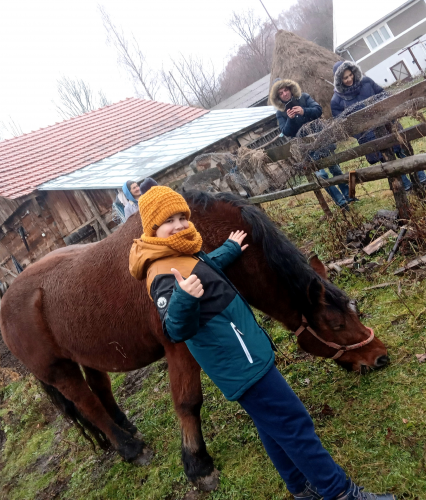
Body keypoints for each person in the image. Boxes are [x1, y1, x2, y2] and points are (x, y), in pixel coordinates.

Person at [128, 185, 395, 500]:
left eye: (181, 217)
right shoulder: (161, 272)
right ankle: (341, 493)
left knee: (272, 425)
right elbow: (175, 328)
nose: (179, 225)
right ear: (152, 228)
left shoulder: (178, 251)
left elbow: (204, 269)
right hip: (241, 365)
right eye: (168, 221)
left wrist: (228, 250)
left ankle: (301, 488)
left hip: (245, 354)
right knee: (295, 424)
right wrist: (185, 299)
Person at [331, 61, 426, 192]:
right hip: (370, 136)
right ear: (339, 80)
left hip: (388, 124)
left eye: (350, 75)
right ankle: (407, 187)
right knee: (388, 161)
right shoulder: (336, 101)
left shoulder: (366, 82)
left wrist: (388, 113)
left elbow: (383, 95)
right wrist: (361, 134)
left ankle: (421, 179)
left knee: (404, 151)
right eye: (345, 78)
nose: (349, 79)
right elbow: (344, 125)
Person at [270, 78, 354, 209]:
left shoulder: (304, 97)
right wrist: (290, 119)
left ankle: (349, 196)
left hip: (321, 140)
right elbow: (285, 132)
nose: (285, 94)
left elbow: (318, 110)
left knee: (335, 169)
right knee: (322, 176)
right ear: (278, 97)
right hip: (306, 150)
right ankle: (341, 202)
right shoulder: (280, 113)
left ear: (290, 89)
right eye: (281, 93)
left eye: (285, 90)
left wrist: (304, 111)